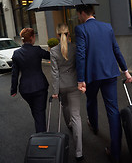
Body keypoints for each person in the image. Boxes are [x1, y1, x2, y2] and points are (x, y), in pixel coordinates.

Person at [75, 4, 132, 163]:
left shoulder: (81, 29)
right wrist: (125, 70)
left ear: (81, 13)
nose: (78, 17)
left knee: (91, 100)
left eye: (78, 14)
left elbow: (80, 55)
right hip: (109, 73)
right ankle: (115, 153)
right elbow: (116, 49)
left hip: (92, 75)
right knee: (113, 110)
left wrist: (80, 80)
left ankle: (93, 125)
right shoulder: (107, 27)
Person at [50, 23, 84, 162]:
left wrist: (55, 91)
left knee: (65, 106)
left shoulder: (53, 51)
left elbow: (55, 73)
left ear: (57, 35)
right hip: (74, 83)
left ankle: (68, 124)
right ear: (69, 34)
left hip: (62, 86)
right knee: (77, 116)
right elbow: (80, 65)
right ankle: (79, 152)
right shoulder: (75, 47)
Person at [11, 28, 50, 133]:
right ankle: (42, 140)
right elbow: (50, 56)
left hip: (25, 90)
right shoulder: (37, 50)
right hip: (40, 87)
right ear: (32, 38)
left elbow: (14, 74)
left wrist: (13, 90)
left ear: (23, 40)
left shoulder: (16, 53)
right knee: (39, 112)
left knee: (35, 110)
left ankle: (39, 126)